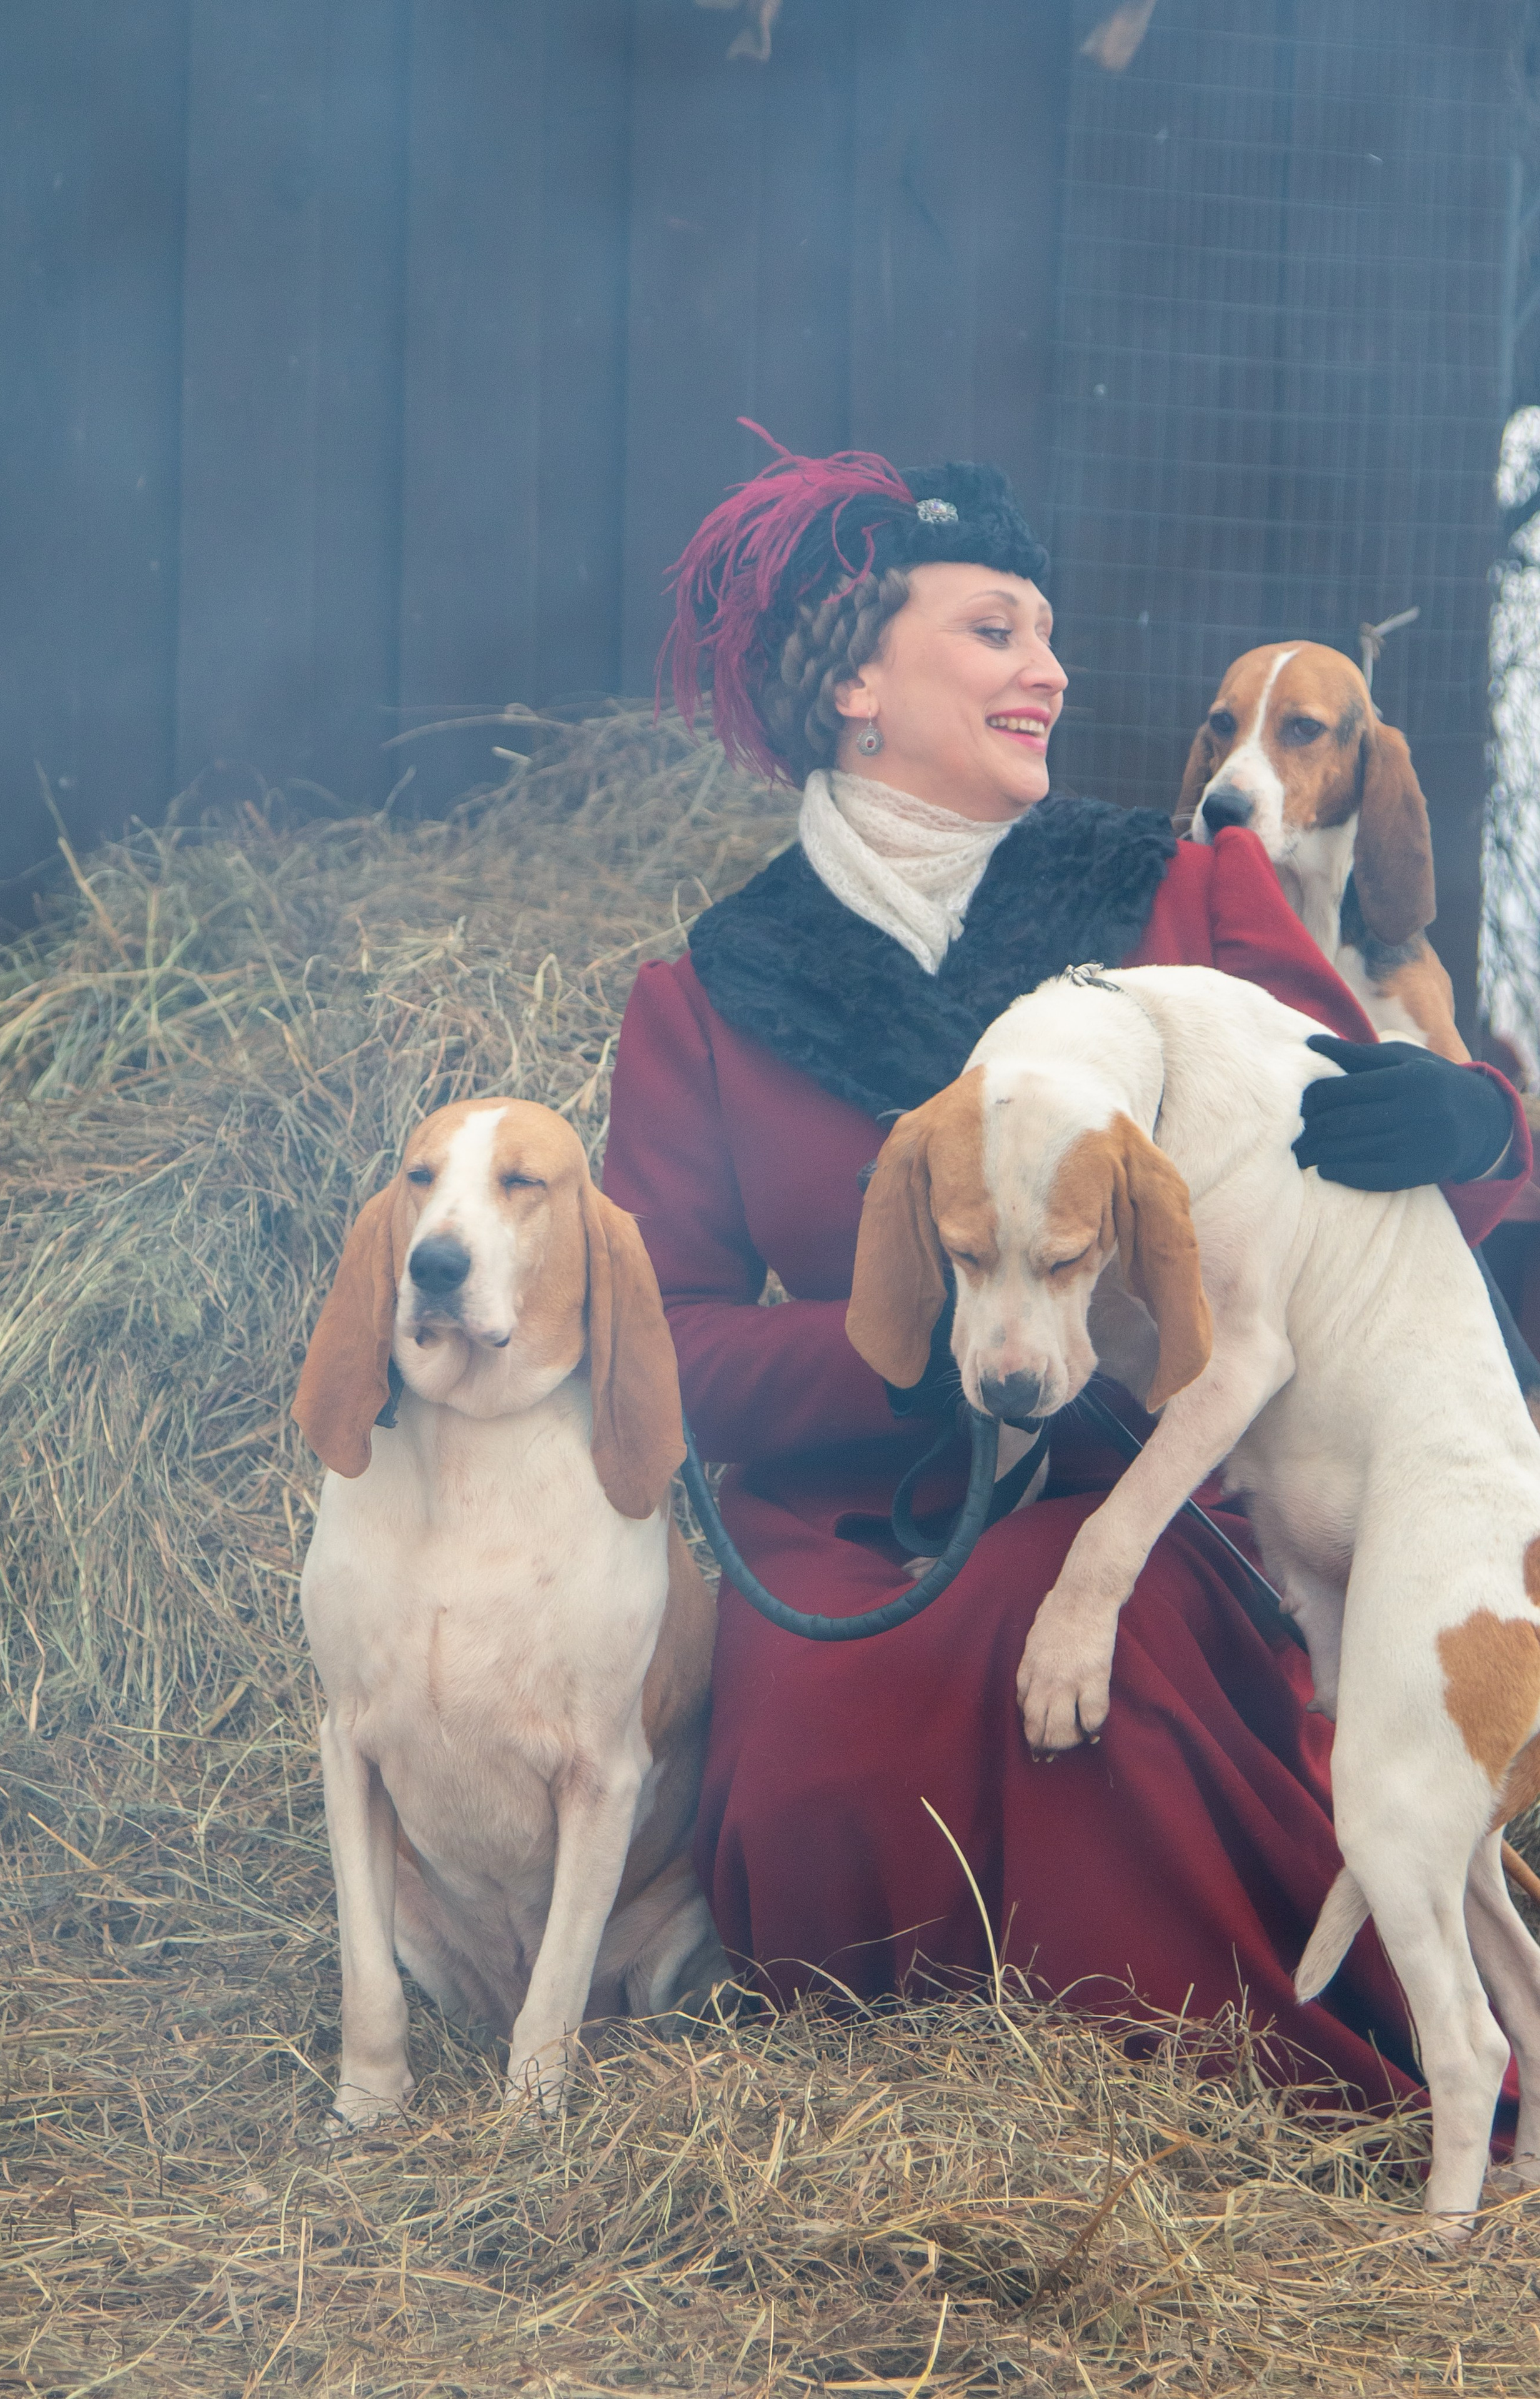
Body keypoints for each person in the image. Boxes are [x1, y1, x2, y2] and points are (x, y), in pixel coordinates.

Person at [601, 434, 1532, 2103]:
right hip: (860, 1528)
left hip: (1174, 1501)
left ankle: (1243, 2086)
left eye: (1052, 633)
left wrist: (1473, 1124)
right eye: (998, 630)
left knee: (1116, 1676)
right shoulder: (706, 1001)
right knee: (830, 1721)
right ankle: (894, 2073)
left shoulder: (1180, 896)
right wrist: (916, 1342)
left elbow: (1374, 1219)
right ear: (855, 683)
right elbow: (657, 1346)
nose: (1055, 671)